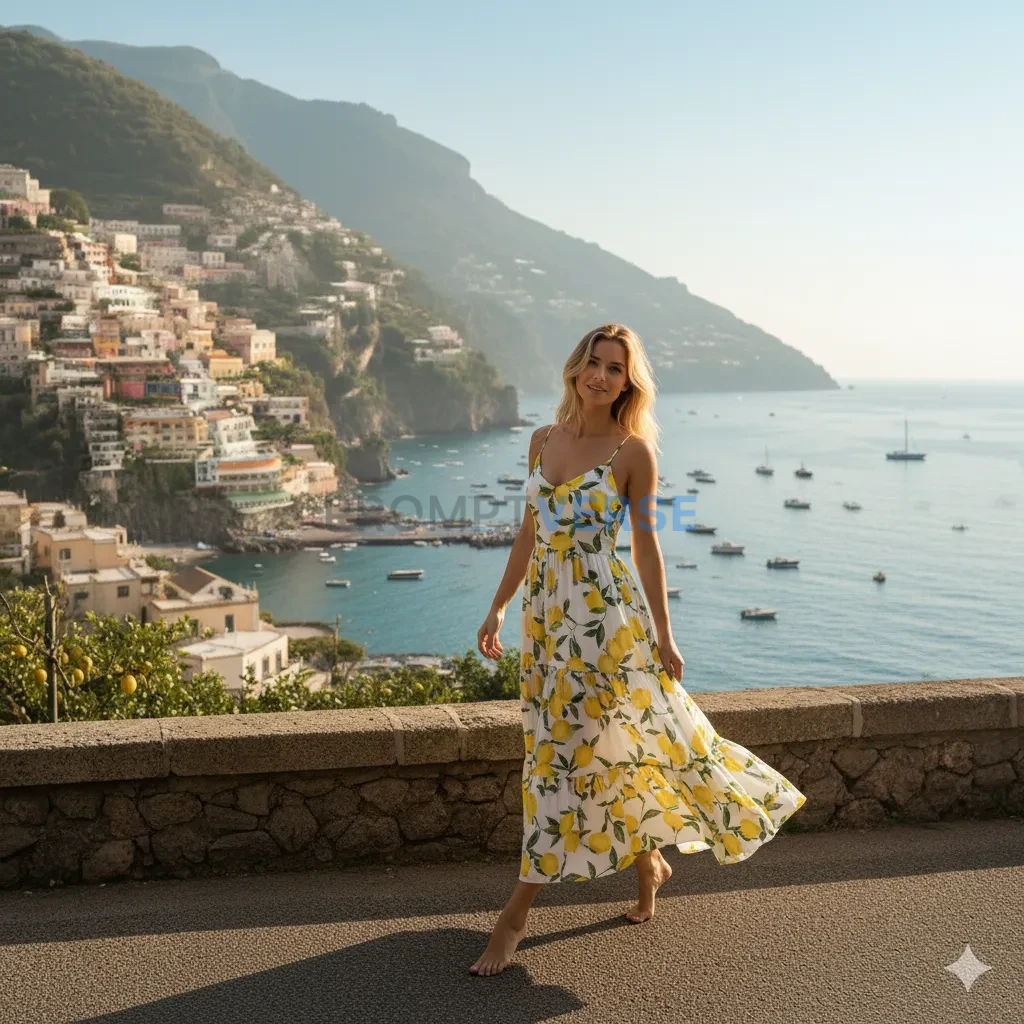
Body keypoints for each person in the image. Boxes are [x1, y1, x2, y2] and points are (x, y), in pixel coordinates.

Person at [469, 324, 807, 977]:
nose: (600, 376)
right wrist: (499, 603)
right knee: (586, 754)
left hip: (603, 626)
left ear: (629, 381)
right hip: (546, 628)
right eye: (593, 362)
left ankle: (513, 919)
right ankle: (649, 863)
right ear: (576, 368)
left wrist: (665, 632)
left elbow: (647, 549)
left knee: (568, 764)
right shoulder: (543, 441)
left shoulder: (633, 453)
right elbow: (529, 534)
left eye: (615, 368)